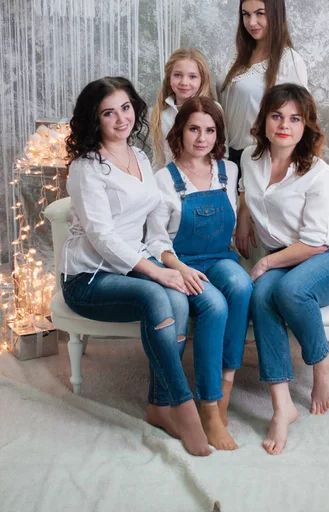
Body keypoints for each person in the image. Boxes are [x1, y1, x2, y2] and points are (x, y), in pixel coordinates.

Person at [60, 76, 212, 457]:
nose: (120, 118)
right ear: (94, 120)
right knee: (155, 295)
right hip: (89, 276)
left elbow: (150, 220)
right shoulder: (86, 167)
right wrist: (156, 271)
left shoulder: (141, 157)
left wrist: (167, 259)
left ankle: (158, 406)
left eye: (125, 108)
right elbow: (103, 237)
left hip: (132, 265)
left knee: (176, 301)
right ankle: (184, 407)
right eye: (108, 113)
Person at [236, 83, 329, 456]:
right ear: (264, 120)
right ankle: (281, 405)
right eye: (276, 116)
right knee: (261, 296)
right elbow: (246, 192)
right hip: (285, 257)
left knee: (288, 291)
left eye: (294, 118)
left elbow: (317, 242)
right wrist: (243, 219)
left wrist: (267, 261)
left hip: (328, 258)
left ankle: (322, 362)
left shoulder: (318, 174)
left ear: (306, 126)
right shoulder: (249, 161)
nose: (284, 125)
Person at [146, 96, 253, 451]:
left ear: (218, 134)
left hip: (219, 257)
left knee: (241, 285)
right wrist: (178, 267)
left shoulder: (229, 171)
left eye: (210, 130)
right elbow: (155, 240)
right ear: (181, 131)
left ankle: (225, 385)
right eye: (194, 128)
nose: (202, 137)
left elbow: (236, 219)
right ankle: (208, 406)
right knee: (215, 306)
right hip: (180, 260)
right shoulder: (165, 179)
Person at [217, 0, 308, 172]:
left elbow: (301, 119)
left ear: (276, 15)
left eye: (260, 14)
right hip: (225, 155)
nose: (252, 22)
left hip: (262, 159)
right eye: (246, 14)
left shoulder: (289, 61)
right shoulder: (236, 55)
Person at [150, 48, 215, 171]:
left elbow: (222, 154)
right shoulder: (161, 114)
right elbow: (158, 160)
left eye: (192, 76)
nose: (184, 82)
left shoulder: (213, 111)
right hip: (170, 183)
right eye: (178, 75)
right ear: (169, 78)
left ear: (202, 79)